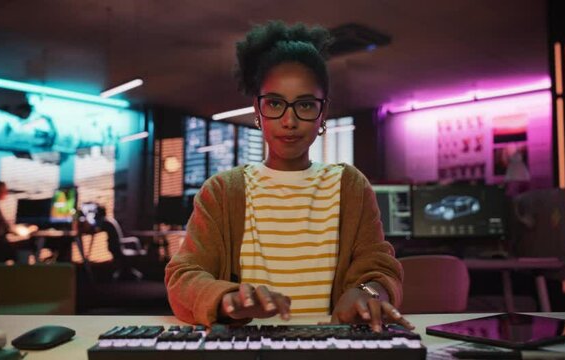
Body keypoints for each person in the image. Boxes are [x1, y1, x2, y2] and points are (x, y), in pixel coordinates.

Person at [165, 21, 412, 331]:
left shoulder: (350, 186)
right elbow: (184, 276)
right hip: (249, 350)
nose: (290, 120)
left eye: (305, 104)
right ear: (257, 109)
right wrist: (226, 298)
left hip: (329, 350)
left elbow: (379, 267)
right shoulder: (223, 191)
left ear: (322, 113)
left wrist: (367, 293)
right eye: (275, 104)